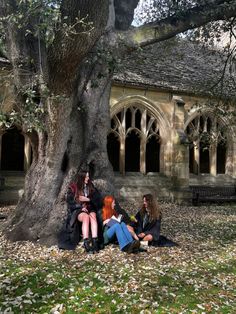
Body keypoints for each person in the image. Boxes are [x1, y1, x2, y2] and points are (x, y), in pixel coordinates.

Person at [66, 171, 100, 253]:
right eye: (86, 177)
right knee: (86, 217)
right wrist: (80, 207)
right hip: (78, 210)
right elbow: (70, 204)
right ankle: (86, 242)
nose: (88, 178)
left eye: (88, 176)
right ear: (81, 177)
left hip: (90, 208)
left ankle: (95, 242)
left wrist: (88, 199)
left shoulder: (90, 186)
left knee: (93, 216)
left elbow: (97, 199)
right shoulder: (73, 188)